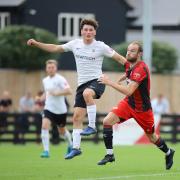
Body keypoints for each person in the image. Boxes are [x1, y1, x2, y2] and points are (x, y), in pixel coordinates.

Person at [27, 19, 130, 159]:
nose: (88, 32)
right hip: (81, 85)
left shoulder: (101, 46)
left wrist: (130, 70)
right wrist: (37, 44)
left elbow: (120, 59)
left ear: (95, 32)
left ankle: (92, 126)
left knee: (88, 93)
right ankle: (76, 147)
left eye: (91, 30)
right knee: (76, 117)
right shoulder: (75, 44)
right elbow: (55, 48)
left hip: (97, 81)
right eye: (86, 29)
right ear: (81, 31)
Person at [97, 41, 175, 170]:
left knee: (152, 137)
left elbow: (128, 90)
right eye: (128, 50)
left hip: (142, 109)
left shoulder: (141, 69)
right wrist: (123, 76)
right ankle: (109, 155)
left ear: (140, 54)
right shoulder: (130, 64)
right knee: (107, 121)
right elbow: (122, 63)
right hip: (129, 103)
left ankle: (168, 152)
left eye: (132, 51)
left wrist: (109, 82)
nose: (128, 52)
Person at [40, 59, 73, 158]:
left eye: (52, 67)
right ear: (46, 69)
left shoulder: (60, 79)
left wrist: (57, 93)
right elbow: (47, 92)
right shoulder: (45, 80)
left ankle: (70, 145)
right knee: (44, 126)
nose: (50, 69)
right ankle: (46, 151)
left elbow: (69, 91)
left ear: (56, 68)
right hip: (48, 108)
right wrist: (41, 97)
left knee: (62, 131)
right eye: (49, 67)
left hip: (60, 110)